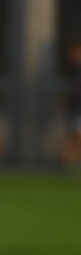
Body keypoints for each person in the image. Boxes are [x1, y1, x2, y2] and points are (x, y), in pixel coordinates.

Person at [59, 41, 81, 169]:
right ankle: (64, 161)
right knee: (76, 138)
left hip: (77, 109)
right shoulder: (76, 71)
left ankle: (64, 161)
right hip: (77, 109)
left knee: (76, 138)